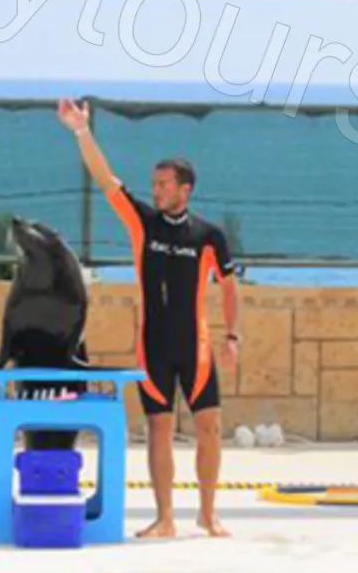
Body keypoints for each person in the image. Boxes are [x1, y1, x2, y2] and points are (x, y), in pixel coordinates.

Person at [57, 98, 242, 539]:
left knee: (210, 427)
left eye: (163, 184)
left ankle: (208, 513)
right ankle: (165, 518)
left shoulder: (209, 236)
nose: (156, 190)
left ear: (185, 189)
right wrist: (81, 131)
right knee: (159, 428)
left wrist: (232, 335)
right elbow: (106, 180)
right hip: (154, 344)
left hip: (195, 346)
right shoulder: (143, 223)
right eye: (154, 183)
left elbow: (229, 286)